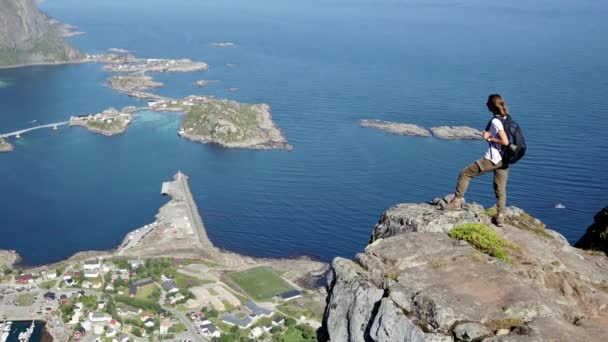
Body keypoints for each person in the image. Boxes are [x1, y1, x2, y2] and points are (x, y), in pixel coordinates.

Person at [445, 94, 511, 226]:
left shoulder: (496, 121)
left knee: (465, 173)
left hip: (493, 158)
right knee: (500, 189)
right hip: (505, 159)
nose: (486, 105)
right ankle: (500, 216)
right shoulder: (507, 118)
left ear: (491, 106)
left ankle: (457, 201)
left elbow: (505, 141)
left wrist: (489, 138)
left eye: (487, 103)